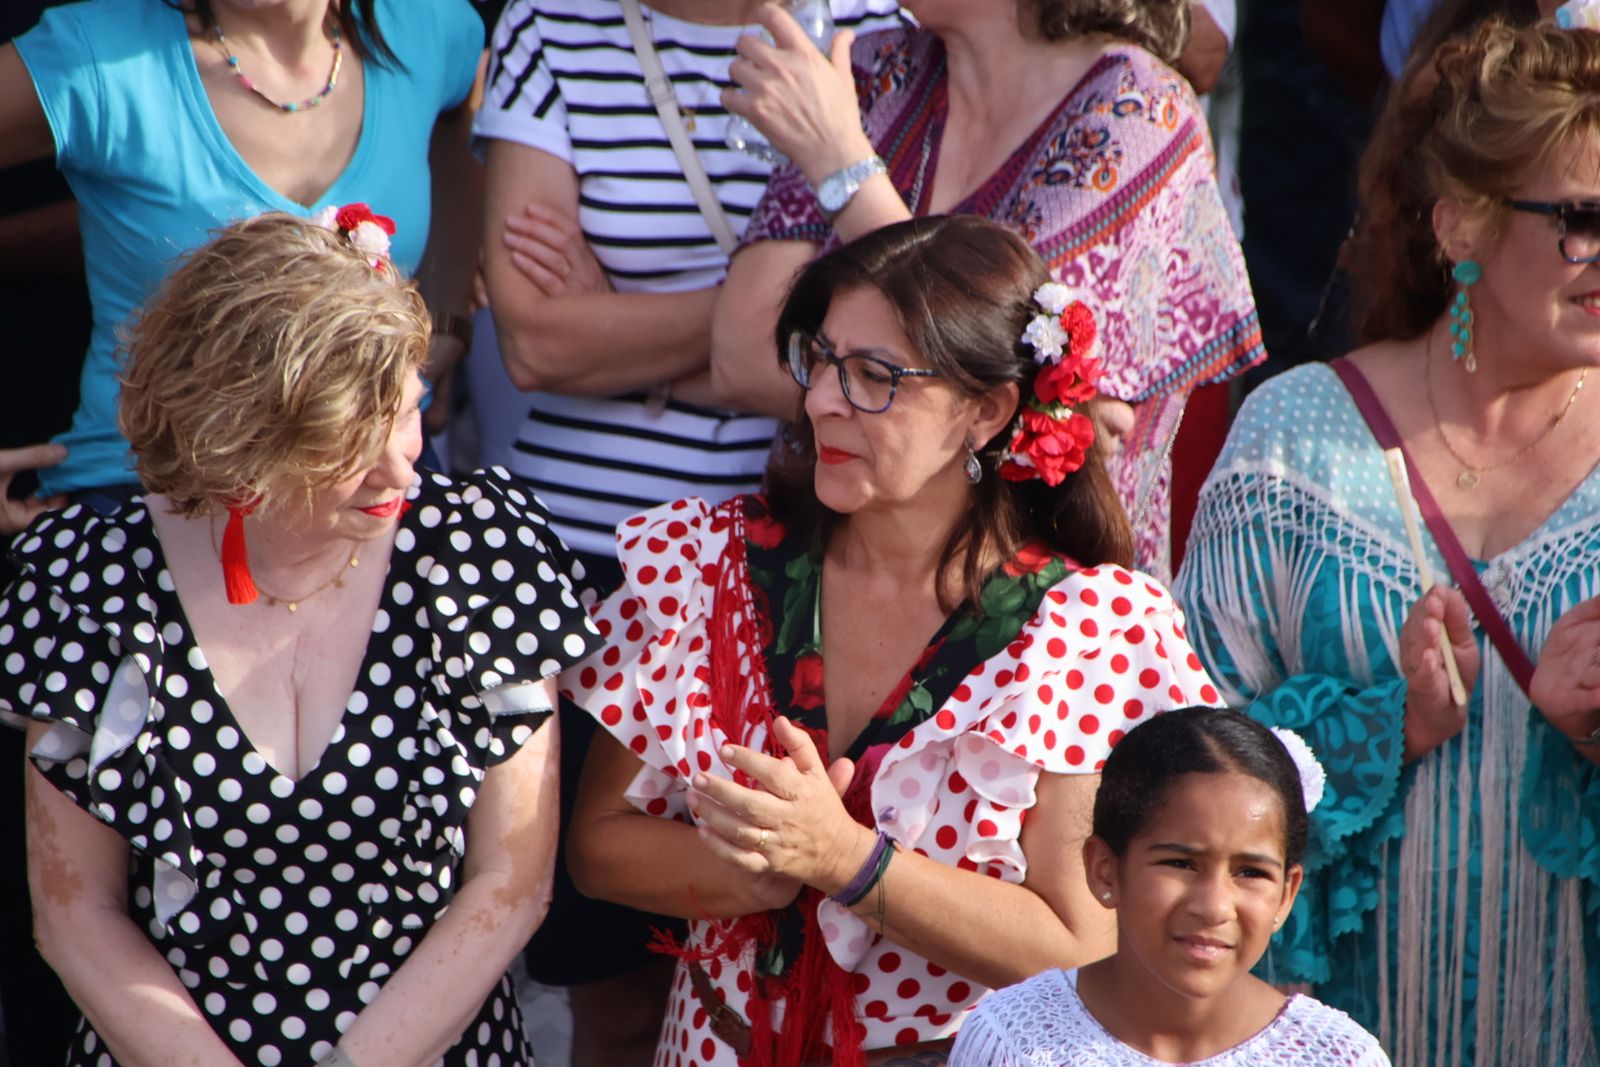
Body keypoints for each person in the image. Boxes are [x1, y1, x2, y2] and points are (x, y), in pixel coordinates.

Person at [561, 215, 1221, 1067]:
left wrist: (846, 859)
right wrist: (758, 867)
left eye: (876, 376)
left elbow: (1081, 945)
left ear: (986, 411)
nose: (821, 399)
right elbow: (597, 845)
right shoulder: (711, 565)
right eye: (820, 359)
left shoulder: (1082, 631)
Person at [1, 211, 602, 1067]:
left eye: (407, 411)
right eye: (347, 445)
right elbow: (74, 912)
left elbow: (510, 884)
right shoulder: (93, 581)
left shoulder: (476, 552)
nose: (402, 468)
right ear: (238, 445)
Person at [472, 2, 901, 1062]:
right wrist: (751, 339)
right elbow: (534, 344)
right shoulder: (551, 21)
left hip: (806, 559)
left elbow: (932, 319)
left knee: (795, 967)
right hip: (592, 565)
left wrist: (643, 335)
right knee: (614, 988)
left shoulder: (880, 25)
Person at [1175, 17, 1600, 1064]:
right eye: (1581, 219)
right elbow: (1182, 769)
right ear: (1461, 226)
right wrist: (1384, 725)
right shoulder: (1291, 444)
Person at [707, 0, 1263, 580]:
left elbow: (1022, 391)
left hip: (1023, 594)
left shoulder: (1139, 109)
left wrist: (844, 171)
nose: (828, 391)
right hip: (831, 571)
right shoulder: (875, 72)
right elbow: (744, 354)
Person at [0, 0, 484, 525]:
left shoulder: (423, 23)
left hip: (381, 488)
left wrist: (448, 316)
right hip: (152, 501)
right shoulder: (96, 51)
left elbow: (463, 105)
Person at [949, 708, 1390, 1067]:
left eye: (1250, 872)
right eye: (1180, 864)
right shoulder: (1012, 1041)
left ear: (1287, 894)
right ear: (1105, 870)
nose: (1214, 906)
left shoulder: (1339, 1057)